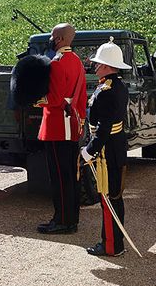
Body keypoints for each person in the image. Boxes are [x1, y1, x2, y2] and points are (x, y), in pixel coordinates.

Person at [35, 23, 87, 233]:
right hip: (72, 123)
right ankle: (71, 218)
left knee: (59, 177)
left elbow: (54, 99)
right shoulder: (76, 61)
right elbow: (81, 96)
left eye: (52, 35)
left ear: (59, 38)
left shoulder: (57, 63)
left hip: (57, 125)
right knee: (71, 176)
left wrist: (36, 100)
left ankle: (62, 221)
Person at [82, 41, 130, 257]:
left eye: (99, 63)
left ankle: (111, 245)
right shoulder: (116, 86)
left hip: (106, 151)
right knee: (114, 197)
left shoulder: (107, 90)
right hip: (115, 148)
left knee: (109, 199)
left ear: (107, 66)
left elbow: (104, 128)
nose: (95, 66)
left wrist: (89, 150)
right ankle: (115, 242)